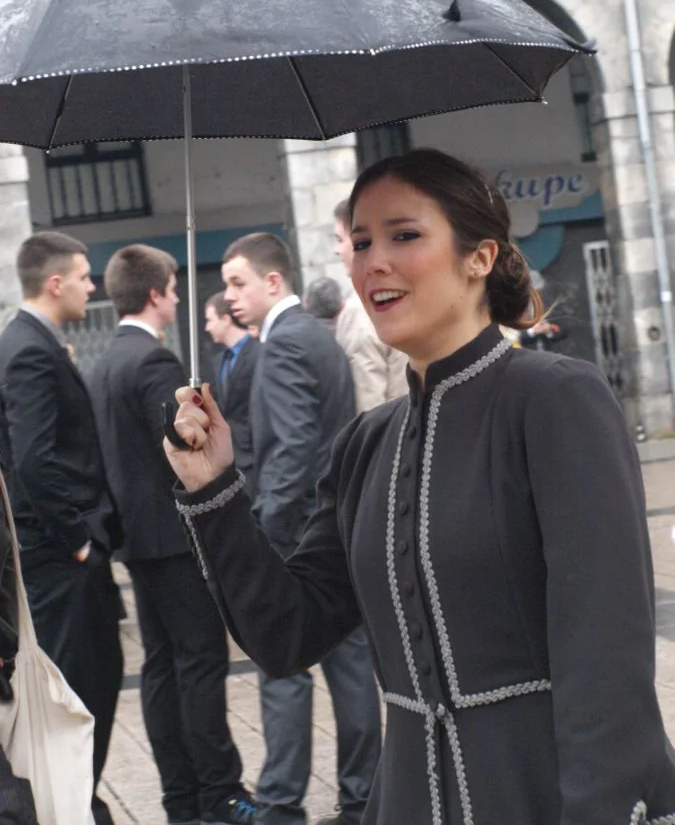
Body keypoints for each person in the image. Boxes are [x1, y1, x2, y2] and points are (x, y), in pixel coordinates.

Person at [163, 148, 675, 825]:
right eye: (360, 241)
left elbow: (605, 650)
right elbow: (287, 635)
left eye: (404, 235)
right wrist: (213, 491)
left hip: (543, 792)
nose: (372, 261)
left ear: (479, 257)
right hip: (407, 796)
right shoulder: (364, 443)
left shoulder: (554, 399)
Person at [216, 233, 382, 825]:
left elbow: (289, 450)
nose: (229, 295)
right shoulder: (313, 334)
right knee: (352, 665)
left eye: (238, 282)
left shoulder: (284, 345)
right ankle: (363, 794)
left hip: (298, 534)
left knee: (282, 668)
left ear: (272, 281)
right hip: (334, 524)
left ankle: (283, 802)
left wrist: (263, 531)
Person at [89, 246, 255, 825]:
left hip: (137, 538)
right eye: (175, 287)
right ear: (156, 294)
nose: (180, 297)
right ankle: (220, 792)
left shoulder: (107, 361)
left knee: (161, 669)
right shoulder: (156, 365)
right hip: (176, 536)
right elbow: (182, 452)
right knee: (202, 662)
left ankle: (180, 797)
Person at [0, 232, 123, 825]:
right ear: (55, 283)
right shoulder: (26, 348)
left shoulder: (35, 342)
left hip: (63, 556)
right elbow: (32, 458)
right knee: (81, 692)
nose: (91, 285)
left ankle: (81, 805)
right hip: (58, 560)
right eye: (83, 275)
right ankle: (74, 809)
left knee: (94, 684)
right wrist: (76, 540)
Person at [333, 199, 407, 413]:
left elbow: (369, 400)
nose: (336, 250)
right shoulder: (405, 297)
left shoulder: (360, 310)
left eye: (340, 239)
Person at [204, 292, 259, 484]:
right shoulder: (219, 360)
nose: (207, 327)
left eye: (210, 320)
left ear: (226, 319)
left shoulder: (258, 351)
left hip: (257, 457)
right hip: (233, 460)